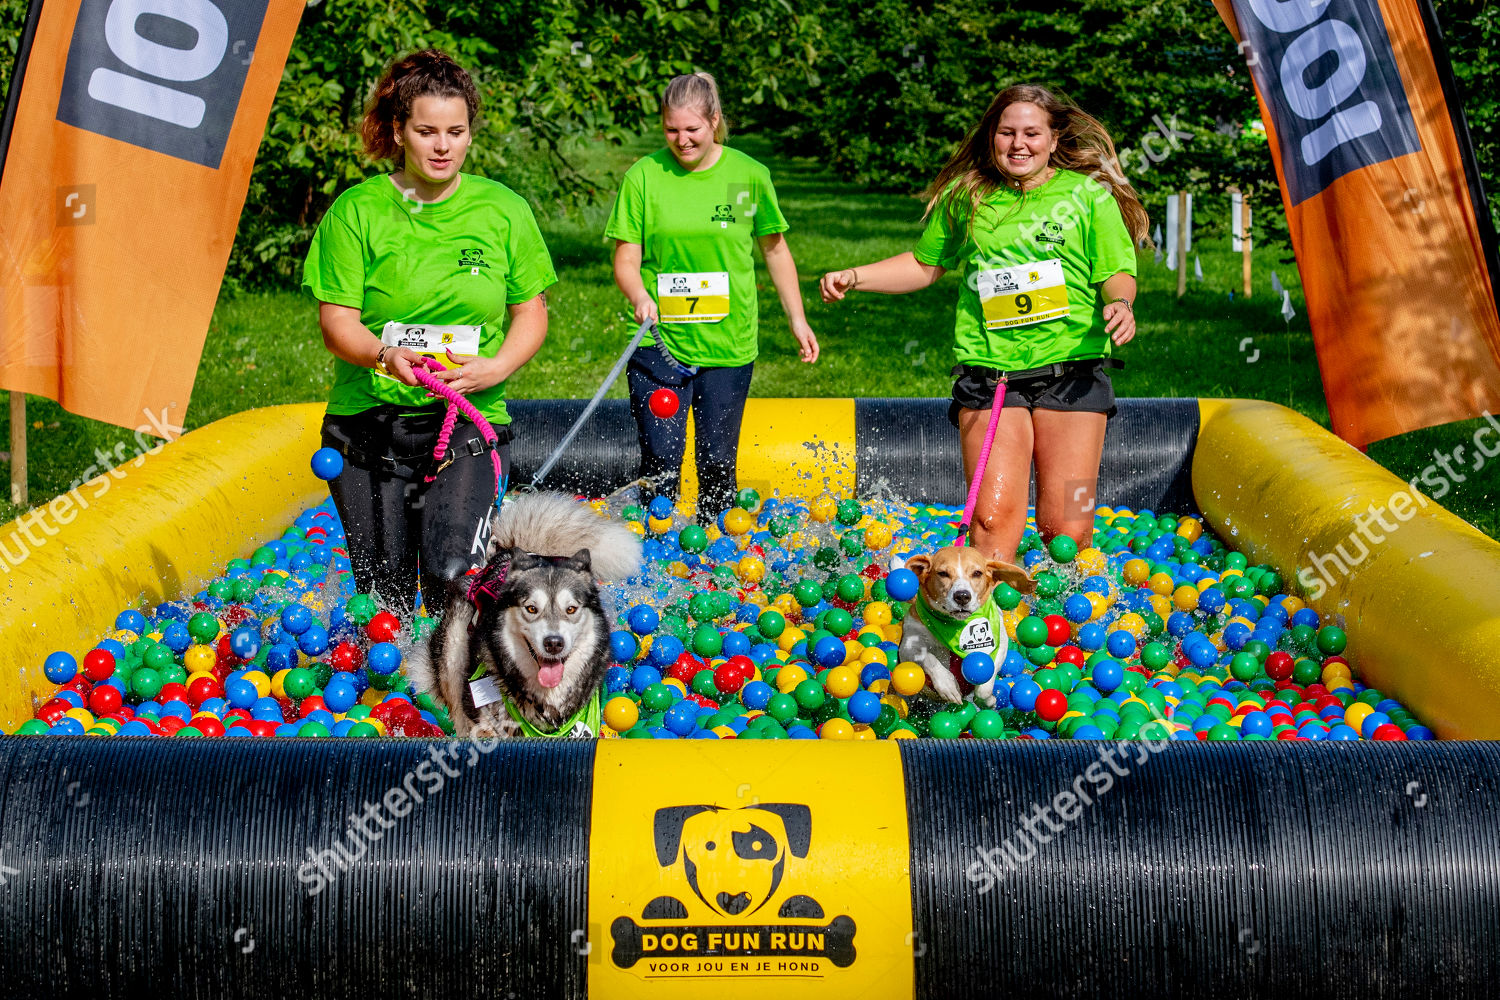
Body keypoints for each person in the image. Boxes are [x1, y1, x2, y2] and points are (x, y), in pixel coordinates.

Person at [820, 84, 1148, 562]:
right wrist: (855, 276)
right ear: (992, 137)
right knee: (990, 521)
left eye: (1032, 133)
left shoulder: (1087, 196)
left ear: (1055, 139)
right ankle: (989, 624)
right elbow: (923, 264)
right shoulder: (967, 196)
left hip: (1073, 378)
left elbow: (1117, 270)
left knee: (1071, 526)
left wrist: (1121, 302)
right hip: (992, 378)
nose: (1019, 144)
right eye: (1006, 132)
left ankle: (1076, 616)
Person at [302, 49, 556, 613]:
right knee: (384, 600)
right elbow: (337, 323)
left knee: (450, 573)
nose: (442, 146)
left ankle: (468, 692)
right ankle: (394, 700)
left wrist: (498, 367)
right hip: (369, 428)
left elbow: (531, 311)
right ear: (399, 131)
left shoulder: (504, 211)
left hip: (469, 421)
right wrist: (384, 354)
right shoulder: (358, 211)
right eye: (426, 131)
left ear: (470, 134)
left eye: (455, 131)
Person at [605, 72, 819, 523]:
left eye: (692, 129)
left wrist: (797, 319)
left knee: (717, 464)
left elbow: (774, 251)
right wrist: (640, 294)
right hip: (658, 342)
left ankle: (715, 565)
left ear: (714, 121)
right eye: (671, 130)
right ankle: (655, 557)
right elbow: (626, 259)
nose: (682, 140)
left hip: (728, 344)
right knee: (661, 464)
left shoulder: (745, 177)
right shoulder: (645, 178)